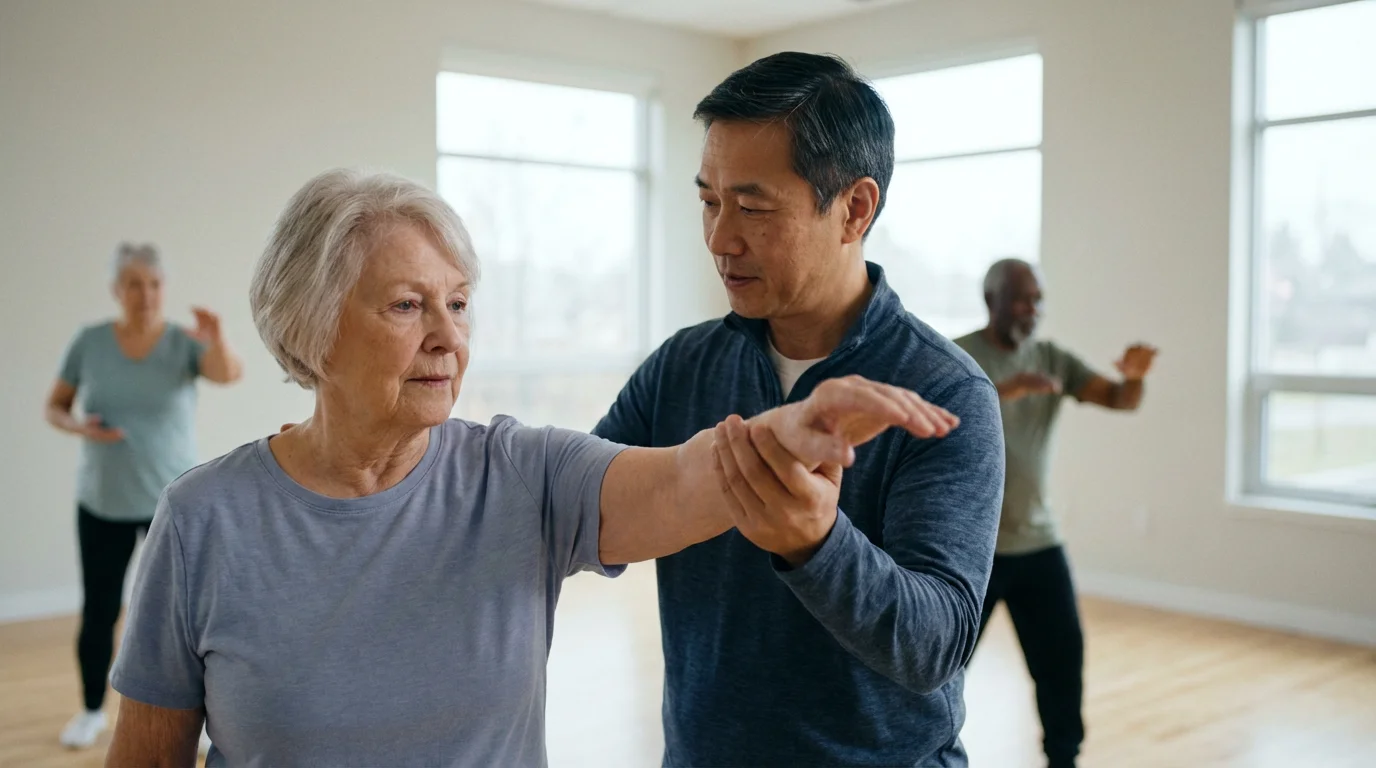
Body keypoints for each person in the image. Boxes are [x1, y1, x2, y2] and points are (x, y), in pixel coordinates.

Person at [101, 168, 959, 767]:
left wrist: (793, 429)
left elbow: (682, 478)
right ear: (309, 329)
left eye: (460, 303)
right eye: (407, 306)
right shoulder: (202, 519)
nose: (448, 334)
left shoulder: (521, 475)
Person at [592, 52, 1006, 767]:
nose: (721, 238)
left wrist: (817, 542)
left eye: (753, 207)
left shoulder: (944, 393)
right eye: (708, 201)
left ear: (854, 209)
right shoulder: (681, 366)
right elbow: (584, 515)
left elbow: (936, 645)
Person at [953, 257, 1158, 768]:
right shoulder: (956, 357)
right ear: (991, 300)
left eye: (1039, 298)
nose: (1033, 309)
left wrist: (1132, 379)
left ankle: (1063, 759)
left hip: (1039, 544)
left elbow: (1117, 399)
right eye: (1022, 298)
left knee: (1063, 664)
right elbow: (930, 419)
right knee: (939, 668)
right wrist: (1002, 393)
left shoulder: (1052, 359)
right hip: (971, 547)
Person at [43, 242, 243, 749]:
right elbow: (55, 406)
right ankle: (91, 711)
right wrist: (78, 427)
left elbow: (228, 374)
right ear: (117, 290)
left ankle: (200, 721)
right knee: (101, 609)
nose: (146, 294)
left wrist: (216, 339)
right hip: (103, 501)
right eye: (134, 283)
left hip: (173, 505)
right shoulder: (89, 342)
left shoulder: (183, 342)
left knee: (189, 617)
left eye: (154, 284)